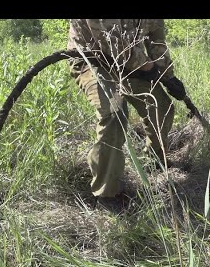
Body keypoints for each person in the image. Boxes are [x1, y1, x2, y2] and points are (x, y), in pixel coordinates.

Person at [67, 19, 187, 212]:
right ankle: (106, 194)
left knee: (161, 106)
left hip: (130, 62)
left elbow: (156, 42)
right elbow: (109, 42)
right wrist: (147, 66)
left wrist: (168, 76)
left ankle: (155, 159)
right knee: (115, 114)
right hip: (91, 59)